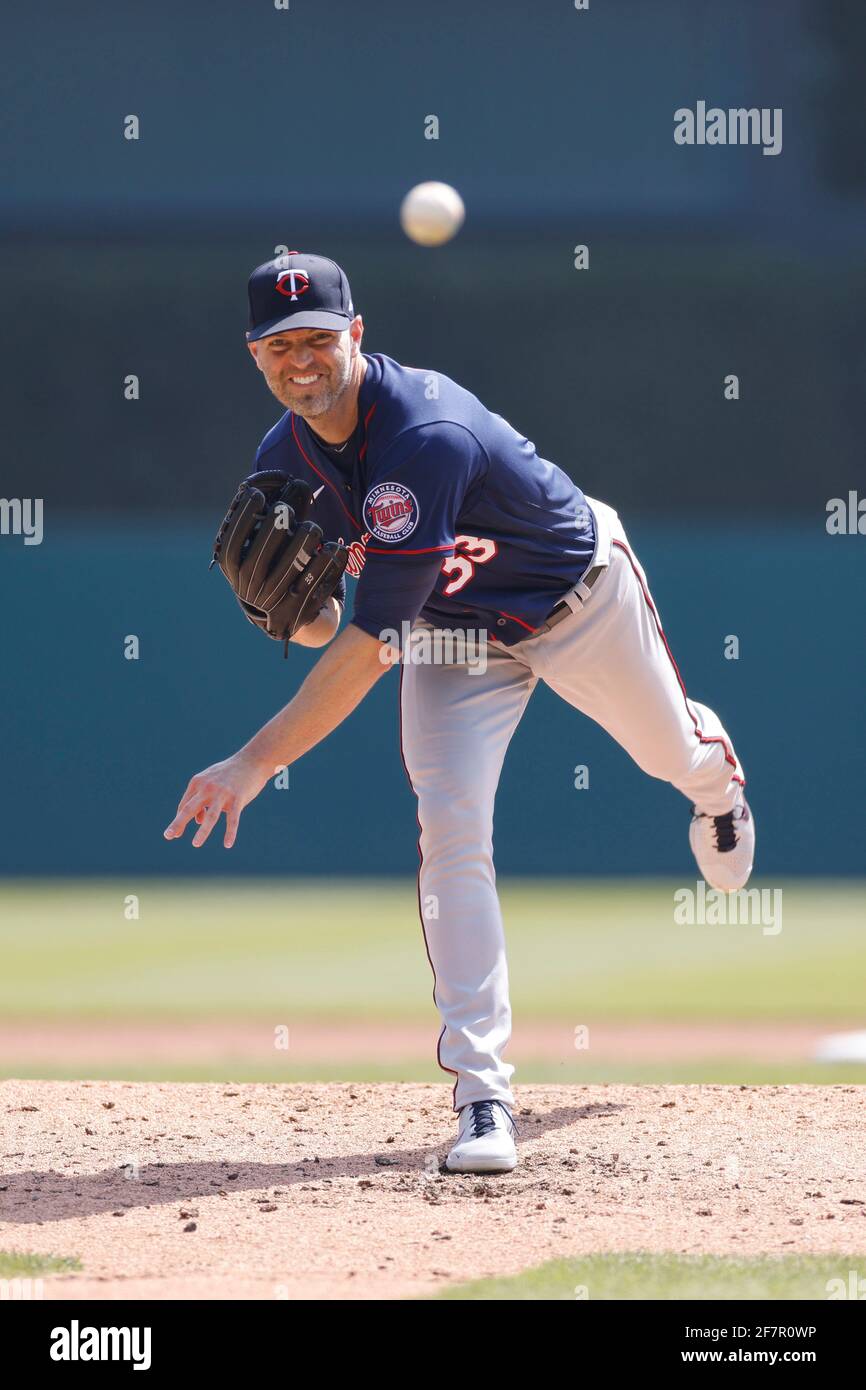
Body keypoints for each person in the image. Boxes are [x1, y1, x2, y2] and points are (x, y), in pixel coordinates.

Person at [165, 252, 754, 1174]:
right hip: (449, 636)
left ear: (357, 335)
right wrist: (298, 609)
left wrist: (252, 761)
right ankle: (484, 1098)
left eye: (320, 339)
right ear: (255, 356)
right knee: (451, 831)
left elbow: (365, 649)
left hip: (575, 595)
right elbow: (334, 626)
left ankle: (717, 781)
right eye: (281, 348)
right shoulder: (282, 460)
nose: (302, 362)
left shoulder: (425, 434)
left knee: (669, 754)